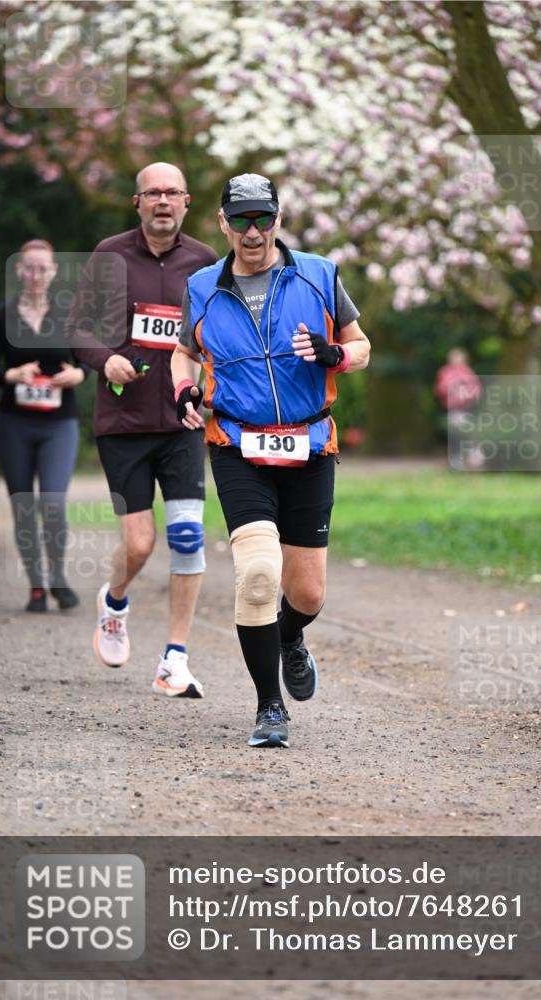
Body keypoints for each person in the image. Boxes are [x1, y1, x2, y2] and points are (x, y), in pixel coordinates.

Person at [172, 173, 371, 747]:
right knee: (258, 574)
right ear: (223, 223)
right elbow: (184, 354)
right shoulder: (202, 287)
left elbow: (361, 346)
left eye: (263, 219)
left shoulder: (319, 275)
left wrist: (335, 355)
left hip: (309, 445)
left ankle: (289, 637)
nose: (253, 232)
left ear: (279, 219)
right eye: (242, 221)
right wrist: (183, 390)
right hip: (238, 444)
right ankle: (269, 708)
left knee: (306, 594)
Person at [69, 162, 218, 697]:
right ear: (137, 203)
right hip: (123, 422)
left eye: (172, 192)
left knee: (187, 537)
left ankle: (175, 659)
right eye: (152, 193)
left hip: (183, 421)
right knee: (139, 544)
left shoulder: (205, 261)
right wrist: (104, 359)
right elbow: (77, 328)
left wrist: (209, 390)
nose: (162, 201)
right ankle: (114, 602)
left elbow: (221, 334)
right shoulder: (110, 254)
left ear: (186, 201)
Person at [0, 239, 87, 612]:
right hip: (15, 424)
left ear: (53, 272)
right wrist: (11, 374)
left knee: (52, 503)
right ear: (19, 271)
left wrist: (78, 374)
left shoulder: (69, 314)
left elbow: (87, 361)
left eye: (43, 268)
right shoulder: (0, 317)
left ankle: (58, 576)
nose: (36, 275)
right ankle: (36, 585)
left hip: (59, 424)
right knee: (24, 506)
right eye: (30, 268)